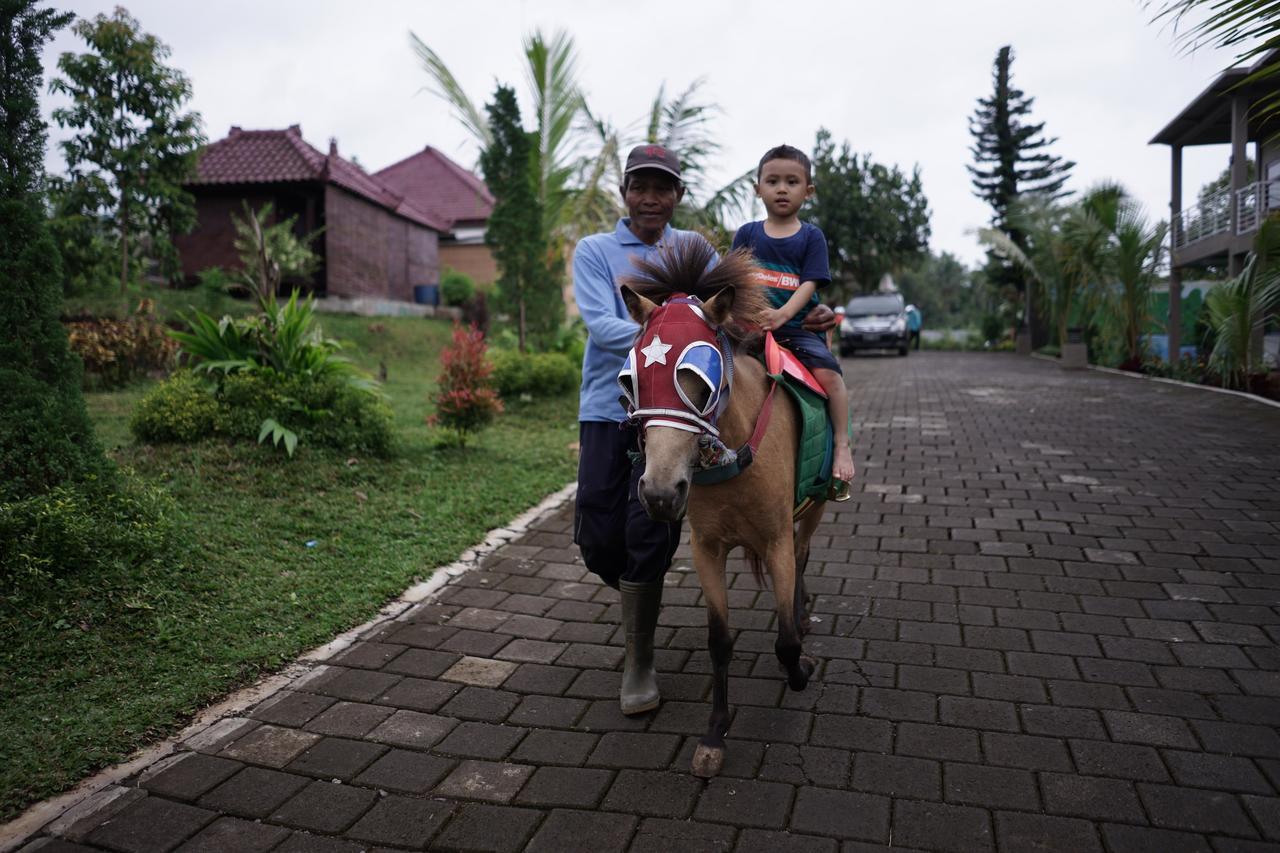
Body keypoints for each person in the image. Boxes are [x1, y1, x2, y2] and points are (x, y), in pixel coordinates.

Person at [572, 143, 838, 716]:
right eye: (640, 186)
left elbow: (732, 309)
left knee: (650, 530)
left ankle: (639, 662)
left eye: (662, 187)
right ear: (625, 192)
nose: (651, 197)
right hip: (610, 406)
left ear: (677, 196)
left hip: (683, 414)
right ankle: (642, 588)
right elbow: (601, 324)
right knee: (596, 536)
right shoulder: (595, 251)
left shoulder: (693, 249)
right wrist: (670, 341)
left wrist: (794, 319)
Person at [732, 144, 855, 490]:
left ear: (808, 191)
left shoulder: (811, 237)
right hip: (749, 329)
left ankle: (842, 446)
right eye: (772, 181)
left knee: (831, 377)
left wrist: (782, 315)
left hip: (797, 329)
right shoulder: (747, 234)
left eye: (791, 181)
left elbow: (809, 283)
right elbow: (734, 279)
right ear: (758, 189)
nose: (781, 189)